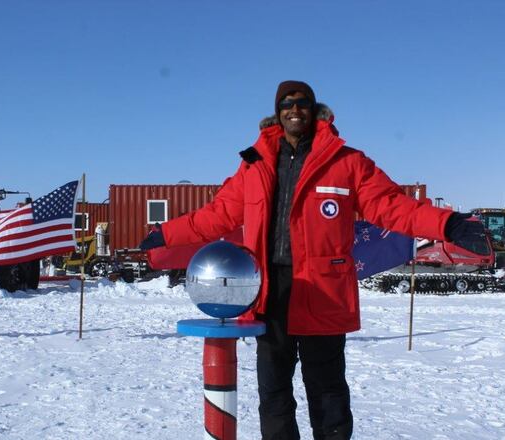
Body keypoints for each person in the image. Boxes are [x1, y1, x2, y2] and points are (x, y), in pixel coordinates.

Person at [139, 80, 485, 440]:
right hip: (270, 293)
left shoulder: (346, 161)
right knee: (273, 391)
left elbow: (390, 206)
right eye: (286, 104)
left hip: (323, 292)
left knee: (327, 390)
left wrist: (447, 223)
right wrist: (167, 233)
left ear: (314, 110)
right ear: (277, 112)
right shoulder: (253, 164)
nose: (294, 109)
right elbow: (218, 214)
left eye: (302, 103)